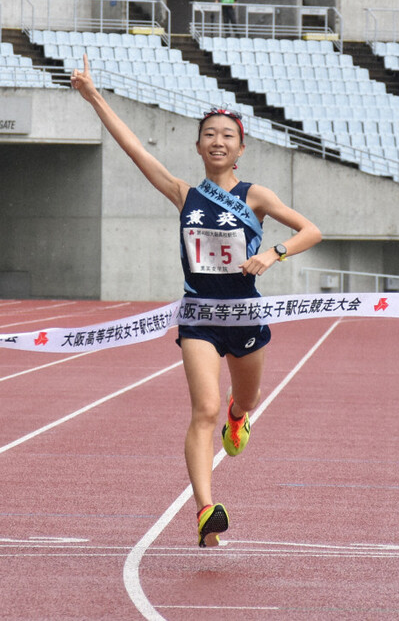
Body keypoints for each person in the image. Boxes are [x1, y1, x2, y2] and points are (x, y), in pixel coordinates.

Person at [71, 55, 322, 547]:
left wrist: (273, 254)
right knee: (202, 410)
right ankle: (206, 509)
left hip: (246, 316)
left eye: (227, 135)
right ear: (198, 145)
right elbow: (133, 147)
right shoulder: (183, 194)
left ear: (241, 148)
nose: (218, 141)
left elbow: (312, 230)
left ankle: (239, 415)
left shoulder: (256, 197)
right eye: (210, 133)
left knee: (240, 403)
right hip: (200, 318)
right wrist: (94, 97)